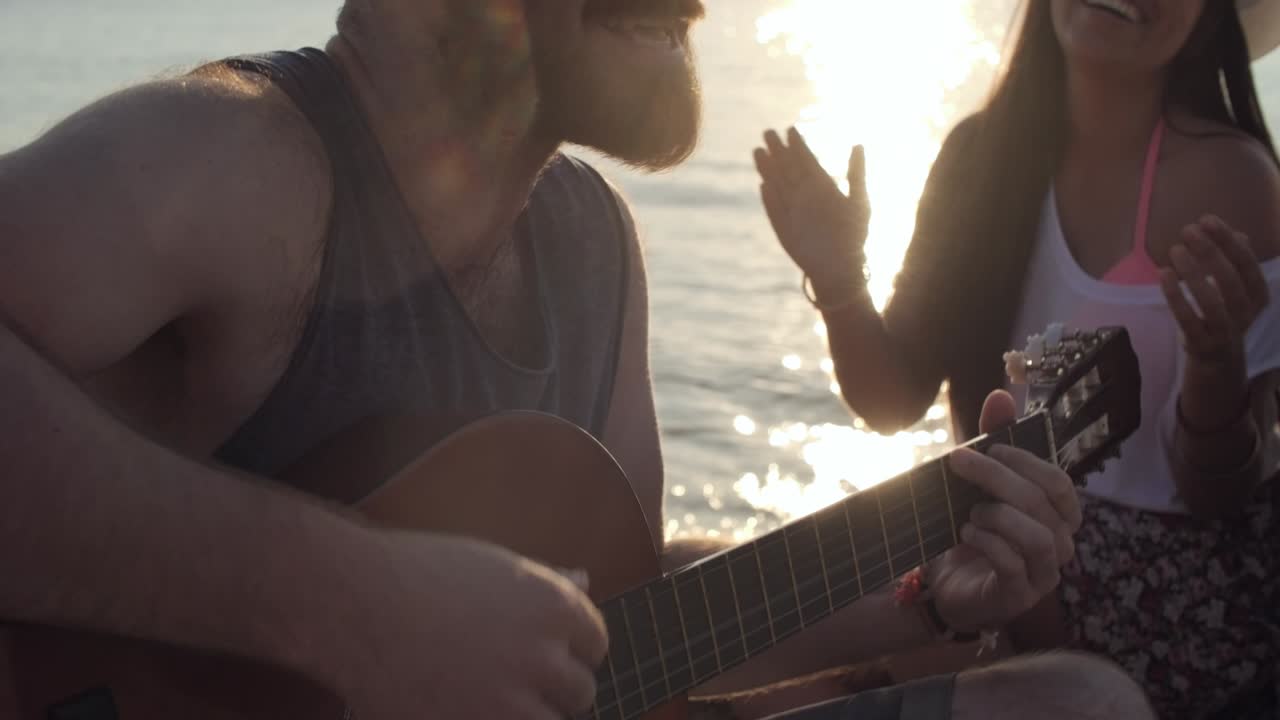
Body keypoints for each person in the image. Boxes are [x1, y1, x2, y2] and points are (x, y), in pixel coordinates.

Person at [0, 0, 1153, 718]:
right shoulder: (236, 161)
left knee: (1077, 703)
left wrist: (921, 591)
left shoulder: (593, 243)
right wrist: (344, 605)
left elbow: (628, 635)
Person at [756, 0, 1280, 716]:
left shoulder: (1232, 179)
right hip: (1004, 564)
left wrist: (1215, 361)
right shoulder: (977, 158)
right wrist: (842, 283)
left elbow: (1223, 489)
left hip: (1182, 609)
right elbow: (891, 401)